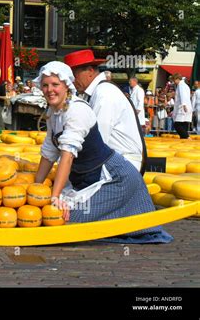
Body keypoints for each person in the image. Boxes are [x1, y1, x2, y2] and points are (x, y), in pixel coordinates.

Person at [34, 61, 172, 244]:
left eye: (55, 85)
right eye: (45, 85)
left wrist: (55, 196)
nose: (49, 90)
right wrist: (34, 189)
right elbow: (49, 153)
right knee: (54, 216)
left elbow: (67, 156)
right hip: (86, 178)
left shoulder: (77, 111)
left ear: (67, 86)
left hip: (114, 178)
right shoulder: (54, 113)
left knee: (64, 219)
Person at [63, 50, 144, 171]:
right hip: (112, 161)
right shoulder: (95, 92)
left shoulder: (104, 93)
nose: (72, 81)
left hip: (121, 165)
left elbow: (97, 139)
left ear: (90, 71)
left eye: (74, 75)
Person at [172, 73, 192, 139]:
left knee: (177, 124)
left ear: (177, 79)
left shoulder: (181, 85)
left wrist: (184, 105)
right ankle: (183, 138)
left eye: (174, 80)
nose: (174, 82)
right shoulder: (186, 85)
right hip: (186, 106)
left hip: (182, 107)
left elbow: (183, 95)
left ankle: (187, 137)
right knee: (184, 124)